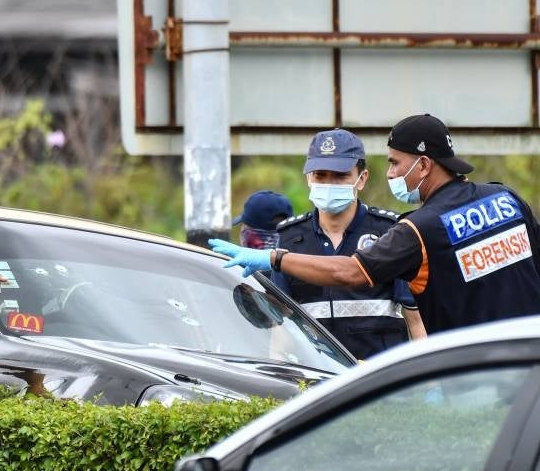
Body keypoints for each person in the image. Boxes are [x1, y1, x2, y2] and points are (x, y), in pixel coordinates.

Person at [209, 114, 540, 334]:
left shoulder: (417, 230)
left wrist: (274, 258)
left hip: (476, 373)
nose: (392, 173)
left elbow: (350, 273)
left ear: (424, 165)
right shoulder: (505, 198)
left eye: (396, 163)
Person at [271, 129, 425, 359]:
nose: (329, 183)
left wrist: (428, 383)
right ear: (308, 179)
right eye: (320, 175)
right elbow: (279, 329)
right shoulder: (289, 239)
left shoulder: (392, 233)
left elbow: (416, 321)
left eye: (340, 175)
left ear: (361, 179)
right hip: (317, 378)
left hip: (381, 377)